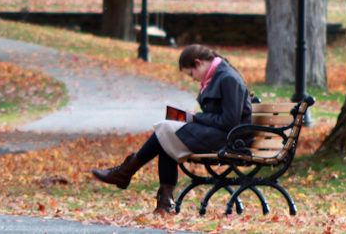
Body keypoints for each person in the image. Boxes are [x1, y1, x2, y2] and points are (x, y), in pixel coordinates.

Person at [91, 44, 253, 214]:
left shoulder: (226, 78)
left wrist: (195, 117)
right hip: (220, 135)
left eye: (191, 74)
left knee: (166, 130)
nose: (193, 79)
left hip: (232, 140)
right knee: (166, 135)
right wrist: (192, 117)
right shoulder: (218, 76)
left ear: (198, 63)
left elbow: (230, 121)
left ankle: (129, 174)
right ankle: (161, 200)